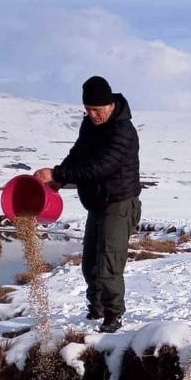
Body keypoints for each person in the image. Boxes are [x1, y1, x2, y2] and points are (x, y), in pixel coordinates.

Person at [34, 76, 141, 333]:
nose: (92, 115)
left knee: (109, 263)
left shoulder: (123, 131)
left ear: (110, 105)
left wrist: (58, 175)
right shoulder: (89, 126)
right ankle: (96, 307)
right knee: (90, 263)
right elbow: (78, 154)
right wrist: (60, 177)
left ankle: (113, 315)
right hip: (96, 203)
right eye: (88, 110)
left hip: (118, 203)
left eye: (97, 110)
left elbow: (102, 167)